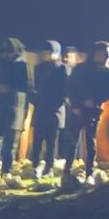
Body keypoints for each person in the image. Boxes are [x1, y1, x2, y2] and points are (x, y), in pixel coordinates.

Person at [67, 40, 109, 179]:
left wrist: (96, 100)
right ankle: (67, 170)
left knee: (90, 141)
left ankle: (89, 171)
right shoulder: (81, 69)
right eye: (103, 53)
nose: (106, 56)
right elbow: (71, 87)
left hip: (93, 110)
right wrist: (76, 105)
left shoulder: (107, 73)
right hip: (78, 109)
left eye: (108, 54)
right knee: (72, 140)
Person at [0, 41, 32, 178]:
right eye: (4, 50)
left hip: (14, 108)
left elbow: (22, 87)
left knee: (9, 145)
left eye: (9, 51)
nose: (6, 54)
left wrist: (1, 87)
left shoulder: (22, 66)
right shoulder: (0, 65)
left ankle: (6, 172)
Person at [31, 43, 70, 177]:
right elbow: (35, 86)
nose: (46, 55)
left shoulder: (62, 69)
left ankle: (49, 167)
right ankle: (34, 166)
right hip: (41, 108)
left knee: (51, 142)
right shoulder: (39, 68)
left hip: (55, 110)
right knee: (37, 140)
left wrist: (58, 102)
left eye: (49, 52)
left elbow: (65, 90)